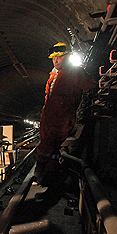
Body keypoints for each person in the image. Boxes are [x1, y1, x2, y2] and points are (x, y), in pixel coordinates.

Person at [34, 42, 94, 200]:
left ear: (67, 57)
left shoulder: (75, 73)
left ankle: (50, 185)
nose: (56, 60)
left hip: (61, 122)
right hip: (49, 121)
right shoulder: (53, 75)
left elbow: (90, 84)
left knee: (50, 152)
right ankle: (50, 188)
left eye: (59, 57)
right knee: (52, 155)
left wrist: (91, 72)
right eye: (54, 58)